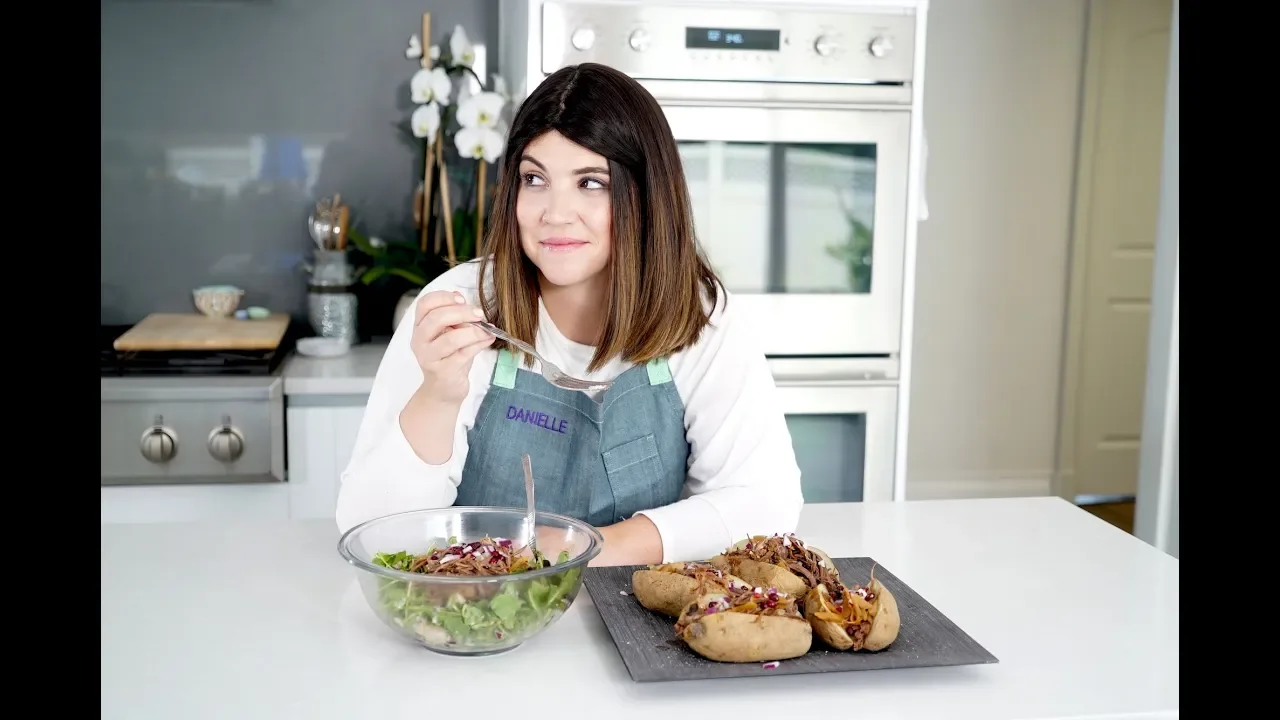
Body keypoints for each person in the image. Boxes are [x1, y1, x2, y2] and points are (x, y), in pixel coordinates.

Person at [335, 63, 803, 566]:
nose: (555, 213)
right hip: (478, 619)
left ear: (646, 196)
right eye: (535, 179)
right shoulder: (460, 306)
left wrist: (585, 549)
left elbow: (764, 502)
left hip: (638, 625)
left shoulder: (699, 317)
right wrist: (438, 394)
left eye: (591, 183)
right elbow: (371, 534)